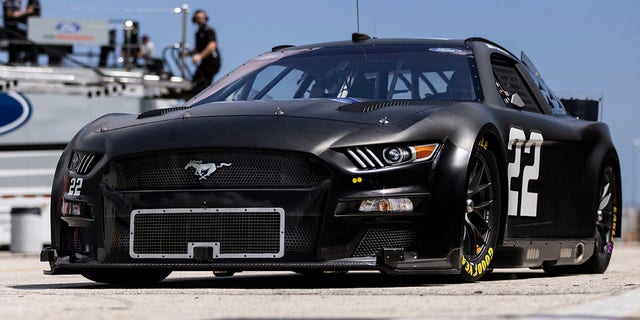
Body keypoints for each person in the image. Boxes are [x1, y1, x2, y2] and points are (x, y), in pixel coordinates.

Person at [190, 9, 221, 94]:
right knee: (195, 81)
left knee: (204, 85)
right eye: (198, 18)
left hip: (212, 63)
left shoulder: (209, 30)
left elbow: (212, 45)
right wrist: (187, 54)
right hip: (204, 63)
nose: (200, 20)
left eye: (202, 18)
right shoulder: (197, 33)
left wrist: (200, 56)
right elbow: (197, 49)